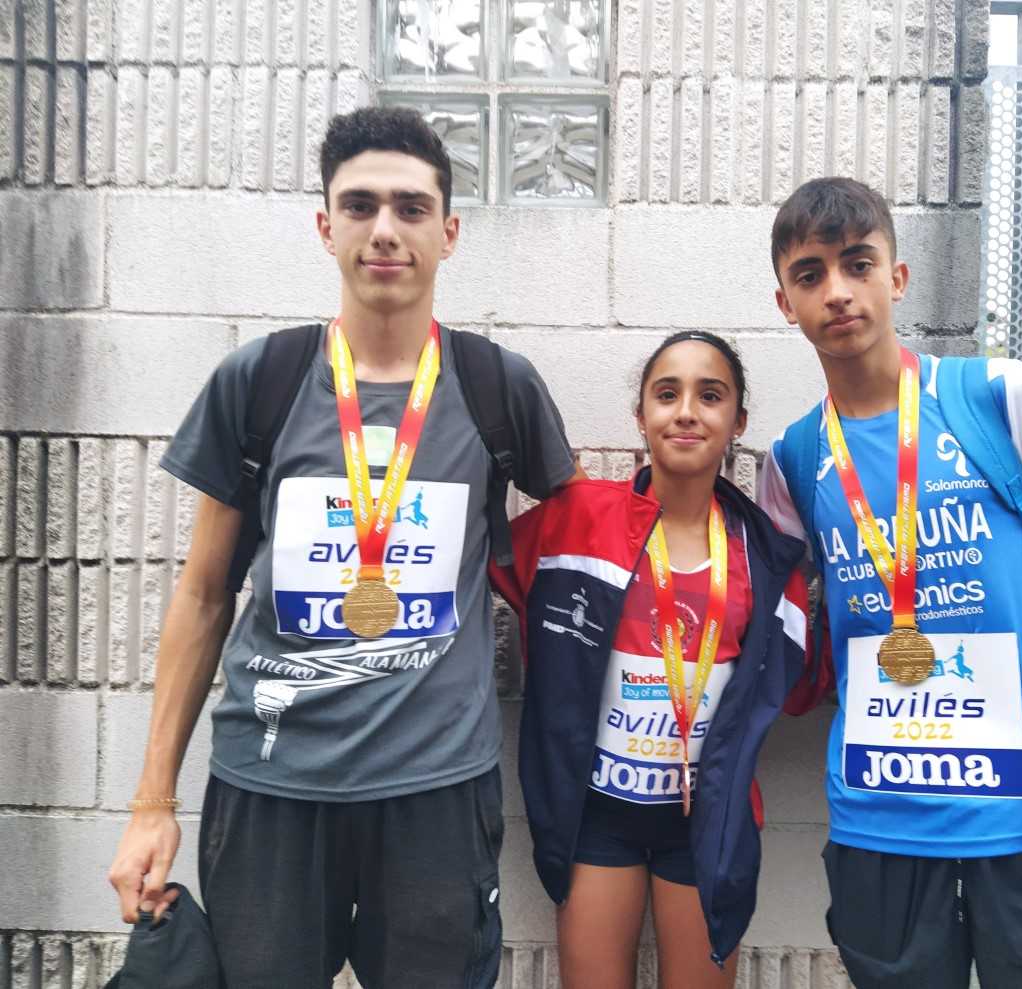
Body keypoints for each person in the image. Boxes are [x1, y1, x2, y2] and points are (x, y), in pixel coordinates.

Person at [107, 105, 581, 989]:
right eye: (360, 206)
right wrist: (150, 803)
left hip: (437, 793)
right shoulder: (261, 380)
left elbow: (581, 540)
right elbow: (205, 596)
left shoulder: (496, 387)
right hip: (272, 784)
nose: (385, 230)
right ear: (327, 228)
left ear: (449, 231)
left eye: (410, 207)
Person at [757, 177, 1022, 988]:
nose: (837, 291)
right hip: (881, 817)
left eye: (857, 264)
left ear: (895, 279)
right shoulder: (792, 458)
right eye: (810, 274)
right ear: (784, 301)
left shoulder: (998, 396)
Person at [490, 331, 813, 988]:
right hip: (596, 811)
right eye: (667, 394)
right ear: (642, 416)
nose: (686, 411)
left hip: (708, 822)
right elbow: (501, 569)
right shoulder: (578, 518)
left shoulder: (767, 557)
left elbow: (796, 686)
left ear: (738, 421)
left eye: (710, 395)